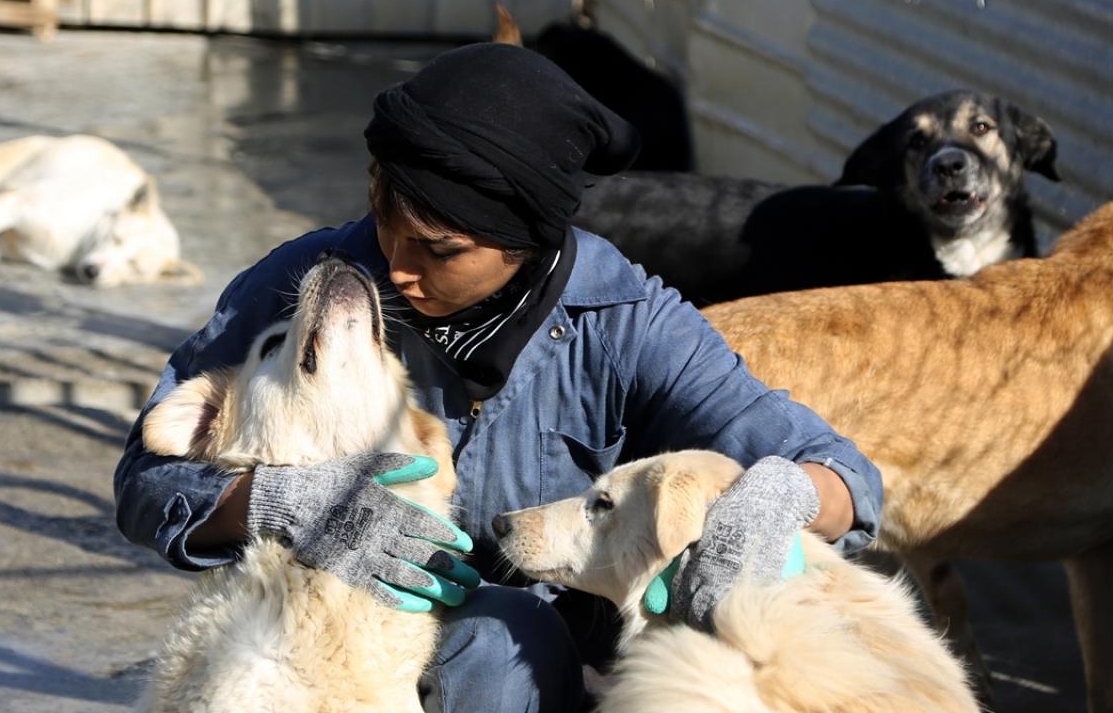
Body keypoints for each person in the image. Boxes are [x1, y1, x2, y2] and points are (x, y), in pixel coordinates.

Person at [114, 42, 882, 712]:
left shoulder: (627, 323)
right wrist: (277, 503)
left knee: (503, 633)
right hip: (322, 634)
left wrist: (776, 500)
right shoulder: (318, 283)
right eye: (384, 219)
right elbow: (147, 478)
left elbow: (843, 475)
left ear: (527, 242)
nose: (396, 266)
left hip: (526, 665)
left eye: (439, 249)